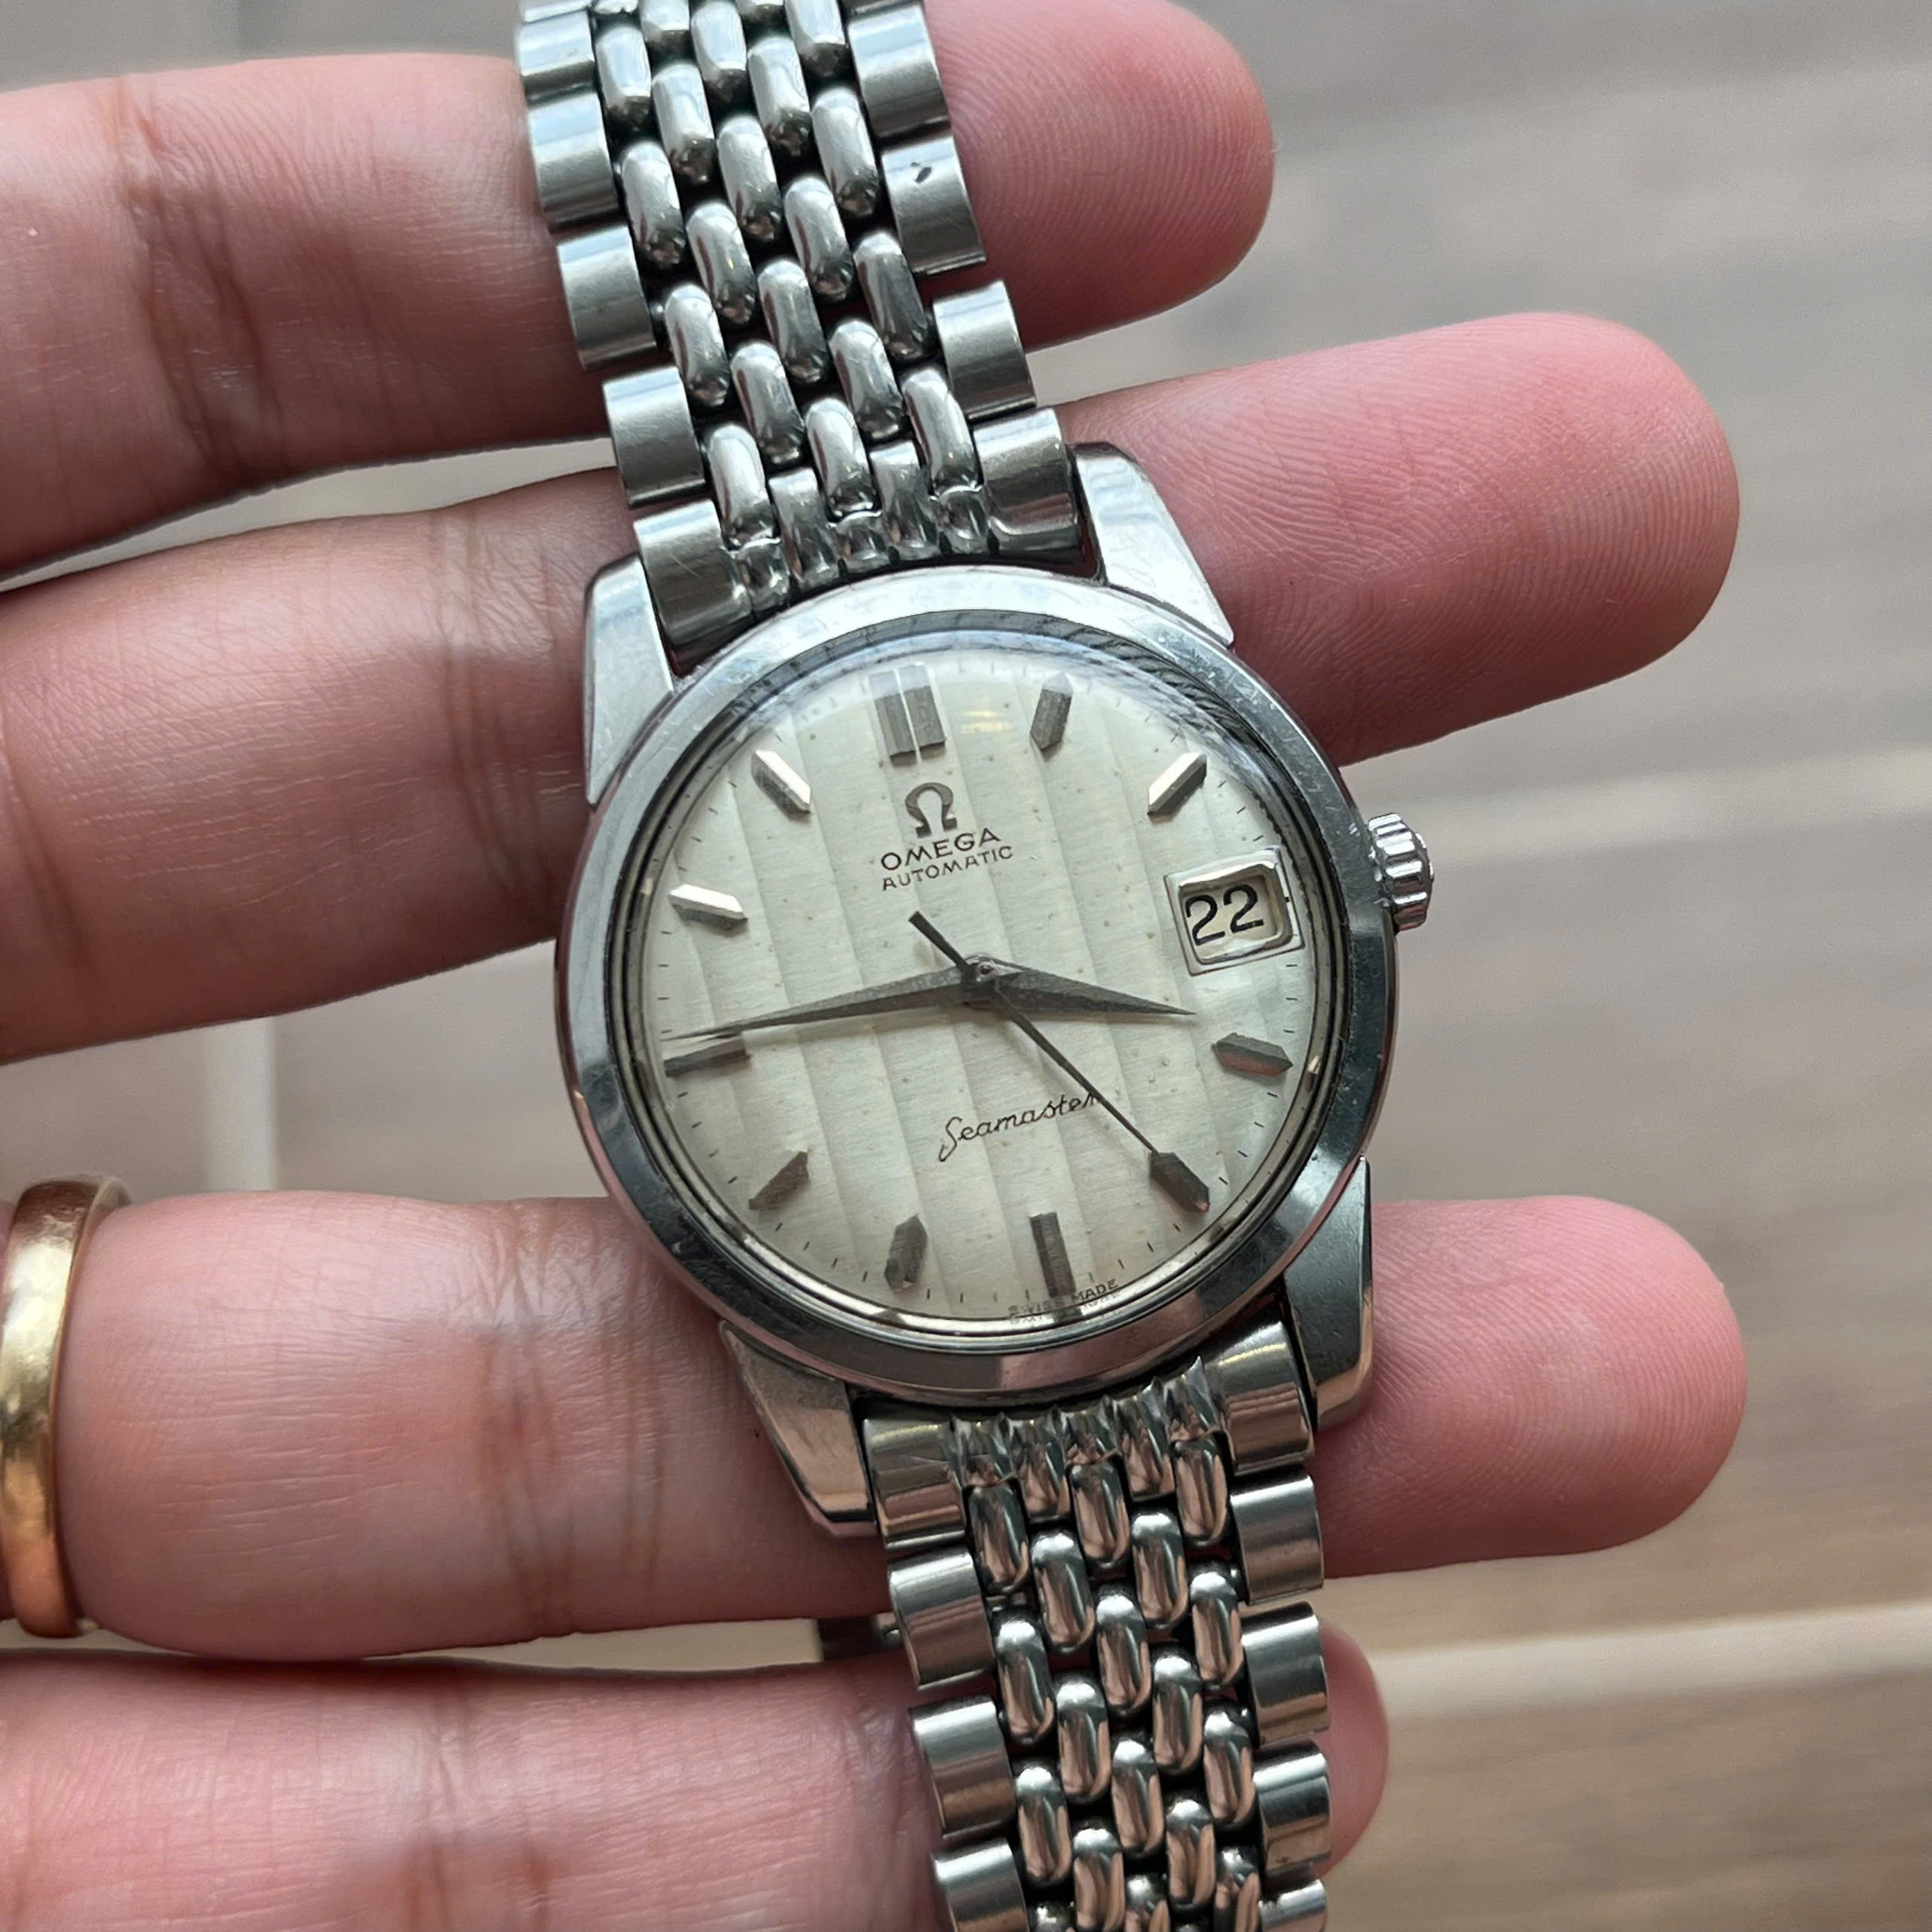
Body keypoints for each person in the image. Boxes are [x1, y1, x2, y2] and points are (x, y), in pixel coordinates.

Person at [0, 2, 1746, 1922]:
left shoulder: (1091, 584)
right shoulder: (1039, 595)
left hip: (1119, 1259)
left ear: (1360, 880)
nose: (985, 989)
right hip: (986, 1291)